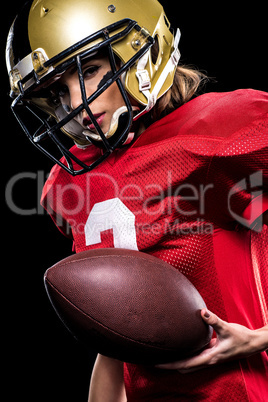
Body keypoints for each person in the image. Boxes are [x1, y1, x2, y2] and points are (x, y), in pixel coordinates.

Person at [6, 0, 268, 400]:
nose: (74, 102)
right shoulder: (69, 183)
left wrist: (260, 337)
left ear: (139, 53)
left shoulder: (219, 134)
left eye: (89, 71)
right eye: (58, 90)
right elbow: (117, 334)